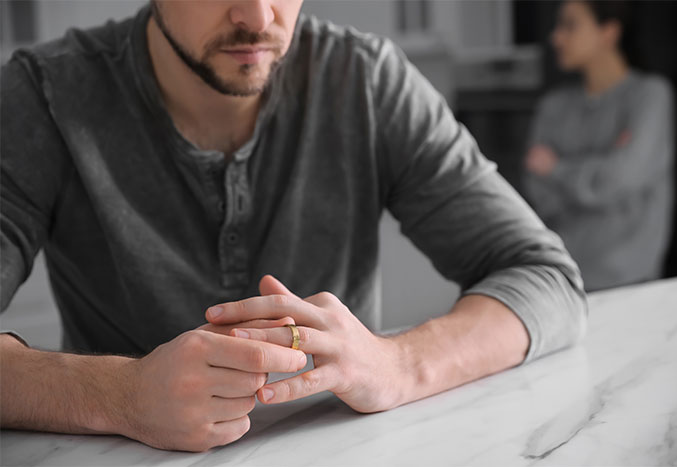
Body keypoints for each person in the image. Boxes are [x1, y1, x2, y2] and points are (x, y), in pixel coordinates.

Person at [0, 0, 587, 452]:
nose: (257, 17)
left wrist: (399, 364)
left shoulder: (367, 81)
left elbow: (546, 279)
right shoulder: (46, 95)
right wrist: (121, 396)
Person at [523, 0, 675, 291]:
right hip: (560, 281)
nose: (556, 37)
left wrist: (557, 168)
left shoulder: (650, 96)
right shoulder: (553, 107)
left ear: (609, 32)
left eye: (570, 25)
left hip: (630, 285)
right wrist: (598, 180)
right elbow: (539, 193)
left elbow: (621, 178)